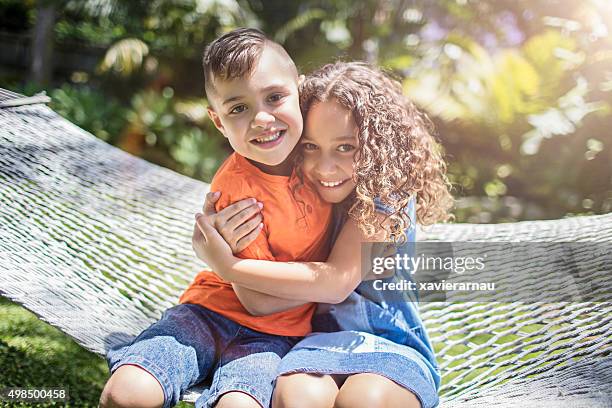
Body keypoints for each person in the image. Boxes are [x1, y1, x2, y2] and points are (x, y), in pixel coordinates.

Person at [193, 62, 453, 408]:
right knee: (296, 396)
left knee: (363, 400)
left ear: (378, 148)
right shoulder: (301, 192)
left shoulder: (386, 198)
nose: (325, 168)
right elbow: (259, 302)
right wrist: (226, 231)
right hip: (314, 342)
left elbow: (333, 284)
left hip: (391, 343)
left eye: (345, 147)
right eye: (311, 147)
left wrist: (226, 266)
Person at [99, 28, 334, 408]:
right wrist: (313, 286)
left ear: (301, 93)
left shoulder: (328, 169)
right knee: (126, 393)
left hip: (275, 337)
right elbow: (257, 301)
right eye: (238, 108)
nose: (261, 119)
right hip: (207, 313)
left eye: (275, 97)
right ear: (219, 122)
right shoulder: (235, 190)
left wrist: (228, 264)